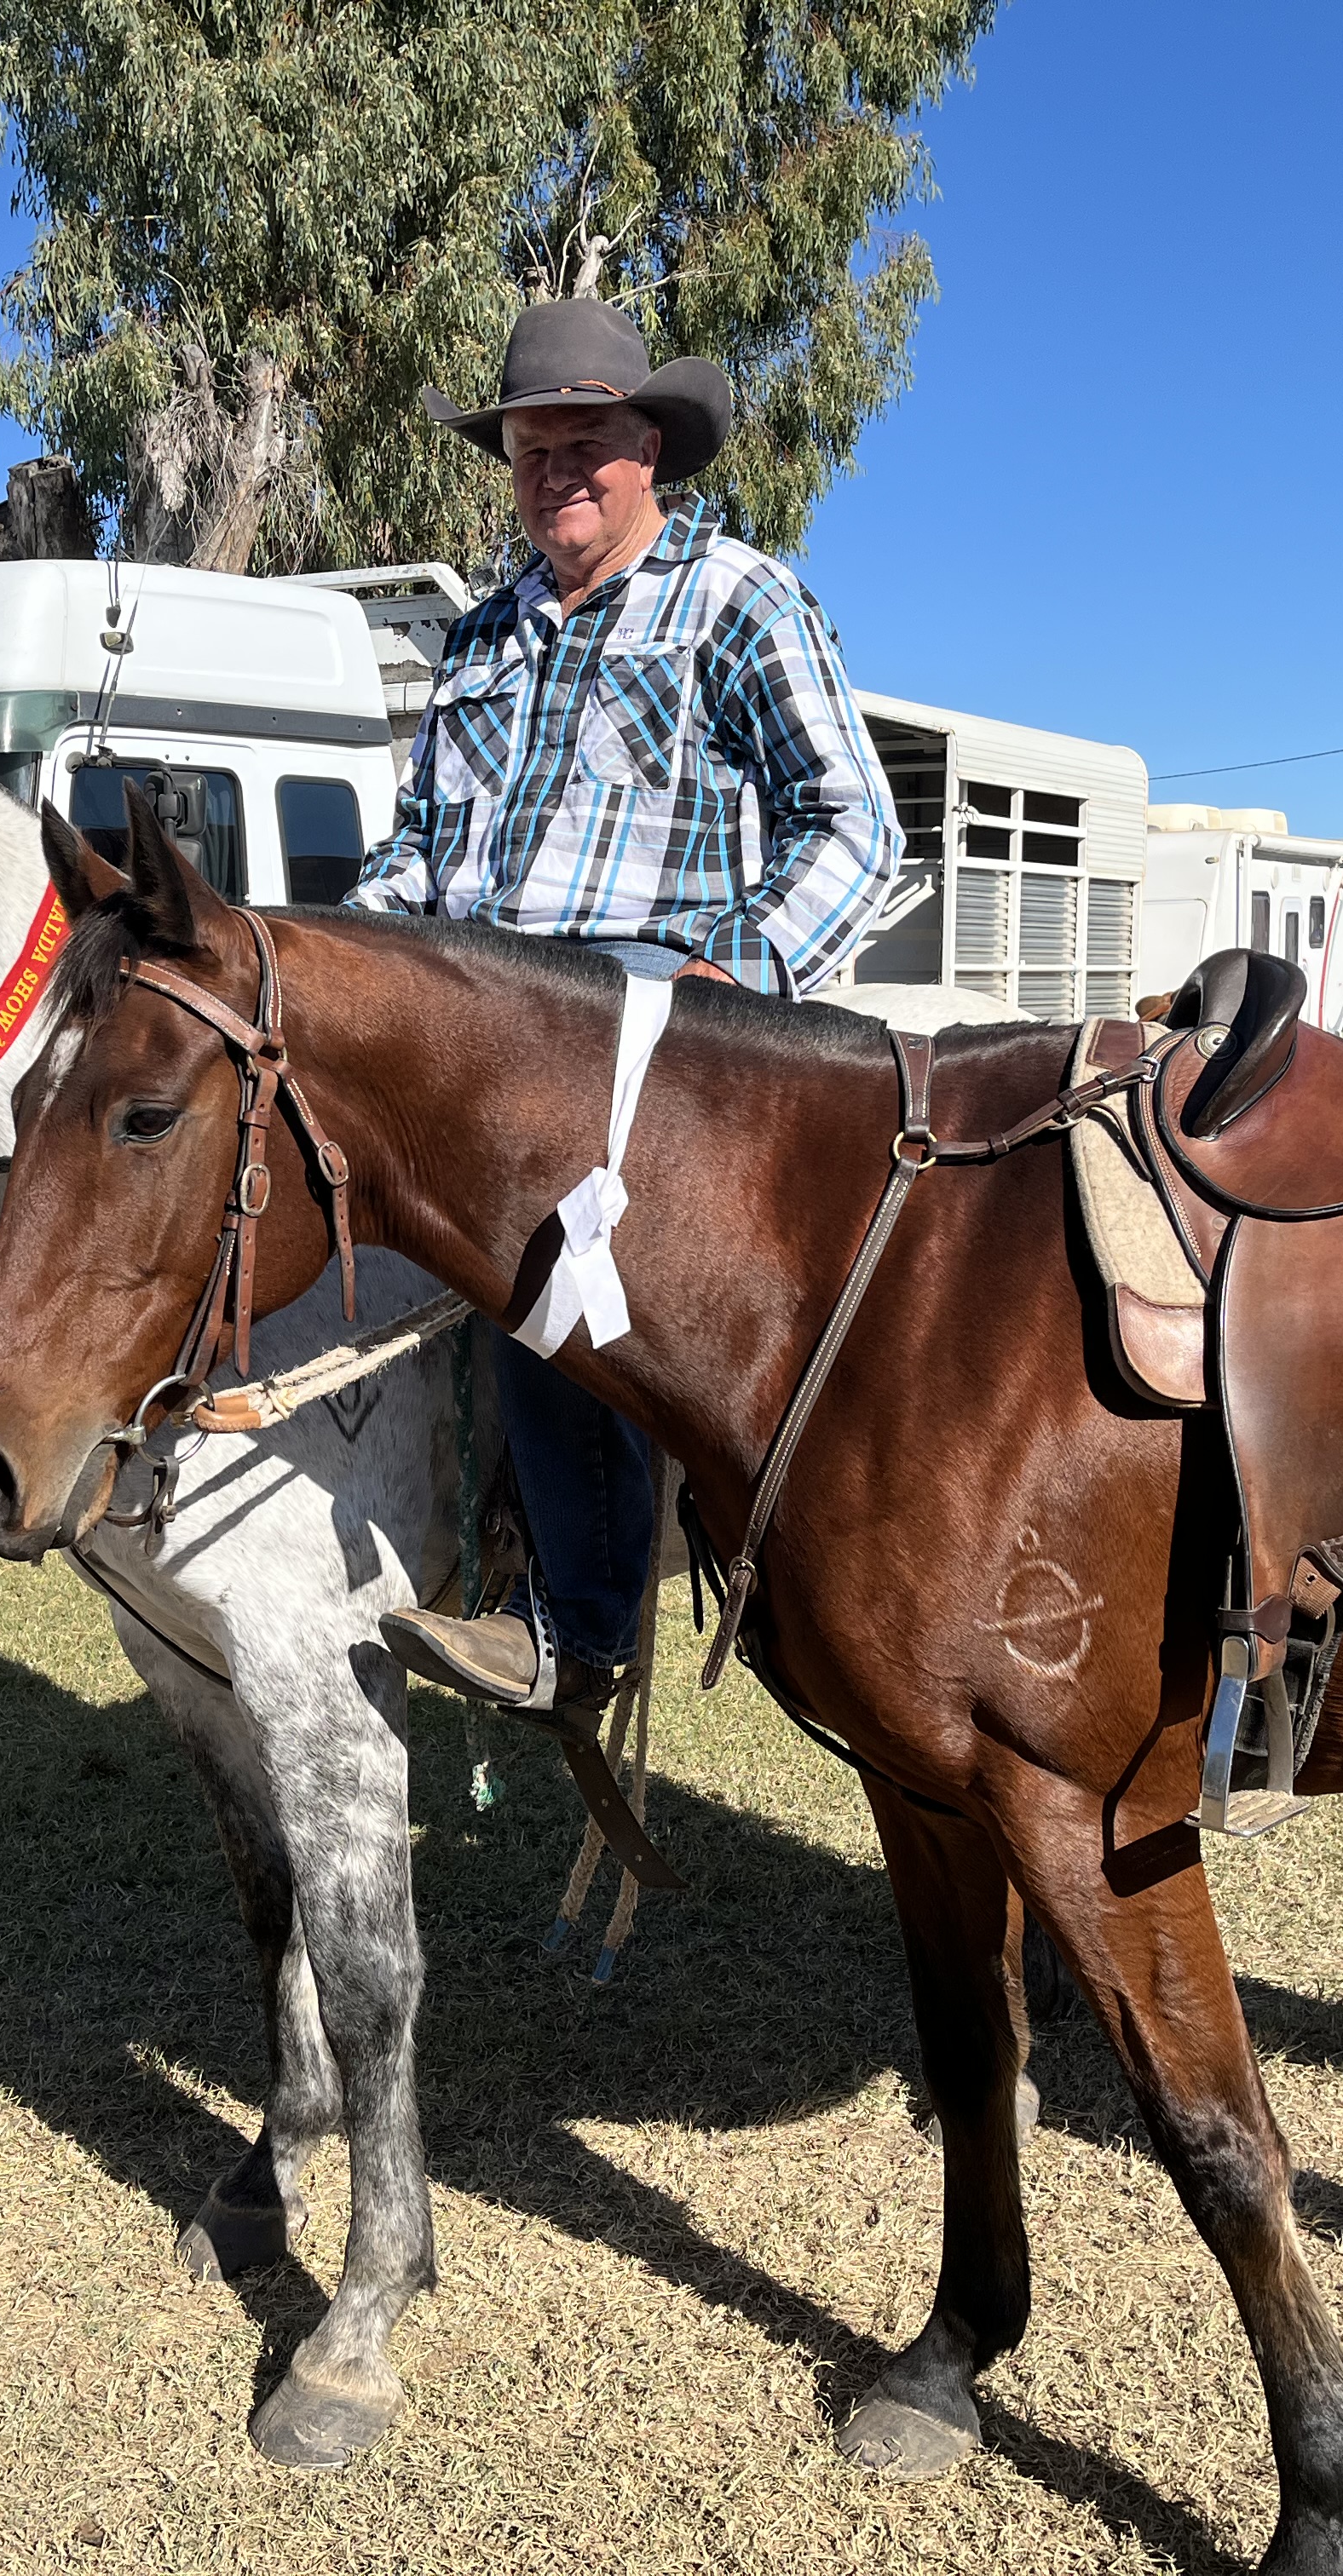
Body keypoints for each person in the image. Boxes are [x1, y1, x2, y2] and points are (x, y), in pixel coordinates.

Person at [351, 297, 903, 1719]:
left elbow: (853, 823)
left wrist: (729, 981)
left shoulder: (737, 599)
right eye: (530, 449)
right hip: (478, 1024)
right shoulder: (480, 638)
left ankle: (577, 1623)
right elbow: (417, 855)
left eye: (583, 444)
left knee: (547, 1214)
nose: (555, 473)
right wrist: (338, 958)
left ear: (649, 447)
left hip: (657, 1036)